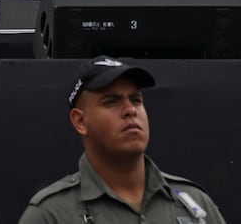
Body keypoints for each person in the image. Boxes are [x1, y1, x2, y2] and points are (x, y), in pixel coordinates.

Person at [18, 55, 226, 223]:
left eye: (136, 100)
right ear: (80, 121)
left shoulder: (195, 206)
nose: (130, 110)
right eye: (111, 102)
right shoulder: (53, 214)